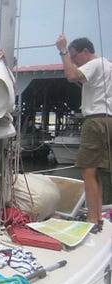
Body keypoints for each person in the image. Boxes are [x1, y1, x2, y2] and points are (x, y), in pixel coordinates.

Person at [55, 34, 112, 231]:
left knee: (88, 171)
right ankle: (97, 218)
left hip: (95, 120)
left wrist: (62, 51)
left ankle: (91, 221)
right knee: (96, 173)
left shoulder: (95, 64)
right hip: (107, 119)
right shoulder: (107, 65)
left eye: (74, 57)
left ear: (85, 52)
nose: (73, 62)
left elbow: (71, 76)